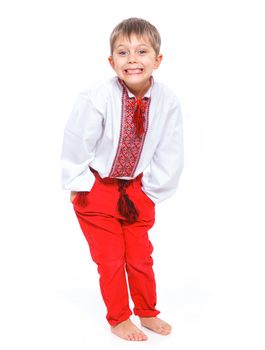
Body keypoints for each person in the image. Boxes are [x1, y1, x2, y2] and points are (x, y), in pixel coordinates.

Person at [60, 17, 184, 341]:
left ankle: (147, 311)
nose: (132, 59)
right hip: (98, 190)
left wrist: (153, 192)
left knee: (140, 257)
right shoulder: (96, 97)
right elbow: (77, 139)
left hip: (136, 191)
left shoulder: (168, 101)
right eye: (123, 52)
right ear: (111, 61)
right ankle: (118, 317)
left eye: (142, 51)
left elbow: (171, 149)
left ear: (157, 59)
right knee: (111, 260)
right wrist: (77, 184)